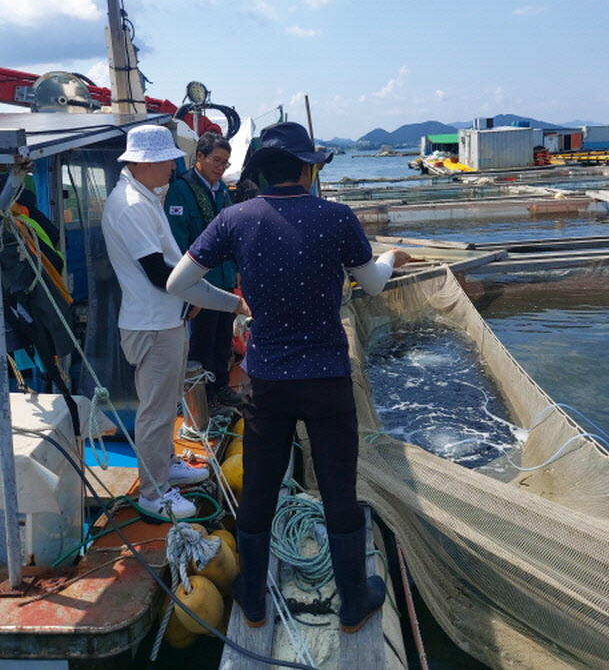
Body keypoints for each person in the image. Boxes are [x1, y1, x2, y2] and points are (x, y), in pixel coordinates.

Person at [166, 121, 410, 631]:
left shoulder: (235, 218)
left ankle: (252, 603)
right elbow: (372, 285)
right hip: (326, 379)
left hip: (265, 381)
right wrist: (388, 258)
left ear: (259, 171)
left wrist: (232, 302)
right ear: (307, 168)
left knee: (258, 486)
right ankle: (352, 604)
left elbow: (179, 282)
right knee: (339, 488)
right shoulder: (337, 217)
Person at [101, 124, 246, 520]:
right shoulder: (131, 205)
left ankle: (164, 465)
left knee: (166, 403)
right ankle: (154, 492)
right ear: (149, 162)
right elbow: (157, 271)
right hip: (152, 325)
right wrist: (225, 302)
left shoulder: (147, 197)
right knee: (156, 410)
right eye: (168, 160)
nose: (173, 166)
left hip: (166, 318)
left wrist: (190, 301)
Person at [165, 131, 241, 409]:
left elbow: (231, 235)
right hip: (198, 282)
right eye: (216, 160)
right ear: (199, 157)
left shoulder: (220, 190)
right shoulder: (181, 190)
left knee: (223, 338)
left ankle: (220, 387)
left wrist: (235, 271)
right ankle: (200, 398)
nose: (221, 167)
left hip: (222, 277)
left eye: (225, 163)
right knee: (201, 342)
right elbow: (176, 241)